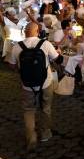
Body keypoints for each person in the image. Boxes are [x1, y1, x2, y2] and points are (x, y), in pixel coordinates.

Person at [8, 22, 62, 151]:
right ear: (37, 31)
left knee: (28, 110)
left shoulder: (17, 47)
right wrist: (58, 52)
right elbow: (58, 60)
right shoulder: (45, 44)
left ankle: (31, 138)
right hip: (45, 83)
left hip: (27, 85)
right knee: (46, 108)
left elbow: (11, 64)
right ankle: (45, 133)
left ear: (25, 32)